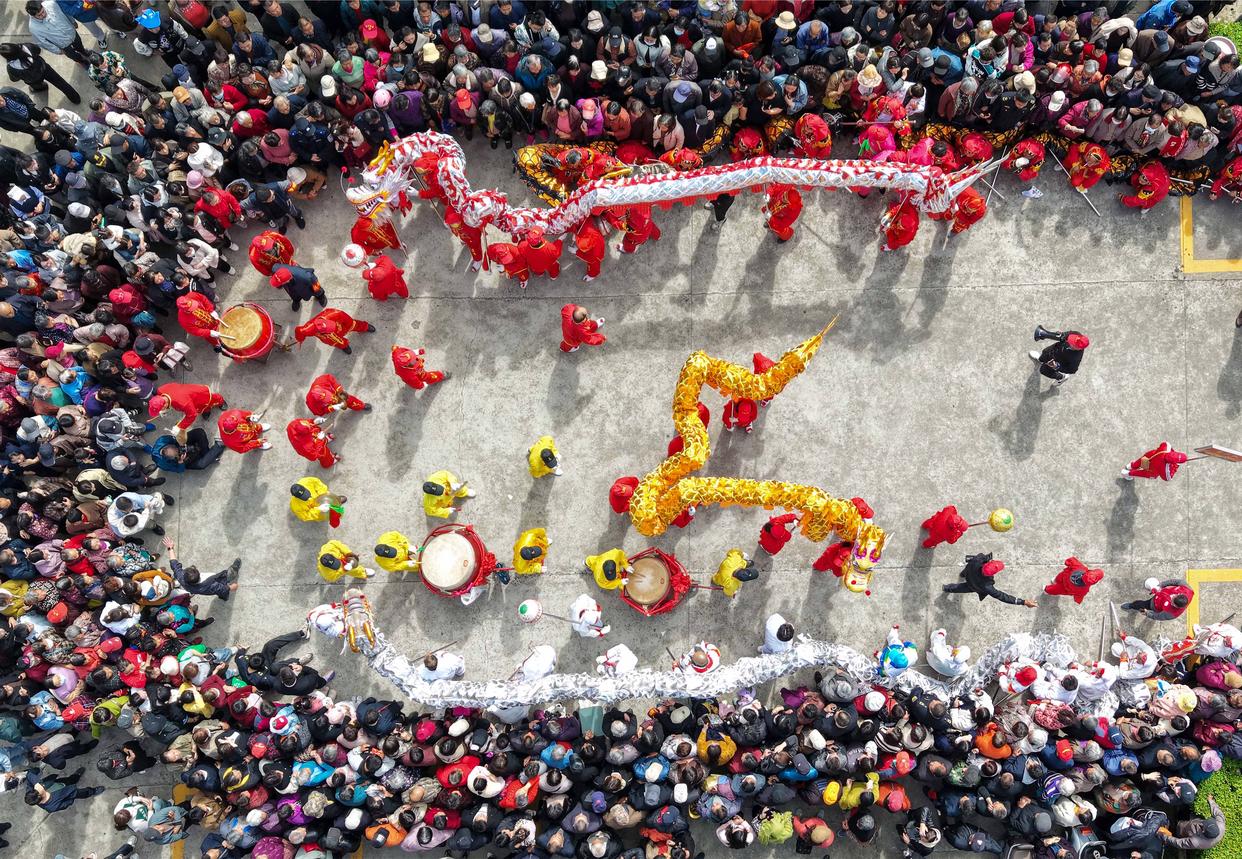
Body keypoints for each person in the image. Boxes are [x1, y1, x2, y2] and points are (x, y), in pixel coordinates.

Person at [942, 553, 1037, 607]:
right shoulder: (987, 587)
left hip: (969, 572)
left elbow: (971, 558)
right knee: (960, 588)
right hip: (973, 587)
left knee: (963, 577)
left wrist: (986, 559)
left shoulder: (978, 560)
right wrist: (1023, 602)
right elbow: (1002, 596)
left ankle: (953, 582)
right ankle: (947, 588)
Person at [293, 307, 375, 353]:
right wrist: (300, 340)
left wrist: (349, 326)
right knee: (336, 342)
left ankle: (365, 327)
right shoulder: (309, 328)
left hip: (342, 326)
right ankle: (344, 346)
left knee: (354, 325)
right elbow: (300, 331)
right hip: (329, 338)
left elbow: (348, 320)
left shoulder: (334, 314)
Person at [1122, 577, 1195, 621]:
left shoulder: (1171, 614)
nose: (1171, 597)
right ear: (1179, 594)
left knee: (1140, 605)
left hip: (1153, 605)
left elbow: (1157, 616)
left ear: (1176, 606)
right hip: (1159, 595)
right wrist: (1161, 585)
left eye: (1172, 602)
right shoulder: (1187, 589)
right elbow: (1176, 581)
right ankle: (1133, 605)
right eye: (1174, 596)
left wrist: (1147, 613)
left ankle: (1132, 605)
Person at [305, 373, 370, 416]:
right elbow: (320, 412)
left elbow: (330, 378)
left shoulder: (321, 381)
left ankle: (360, 406)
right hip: (327, 404)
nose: (333, 398)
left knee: (348, 399)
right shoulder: (313, 405)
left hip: (333, 391)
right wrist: (332, 408)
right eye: (328, 399)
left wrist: (339, 390)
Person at [1123, 442, 1188, 480]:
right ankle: (1127, 474)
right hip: (1152, 469)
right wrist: (1177, 465)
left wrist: (1175, 454)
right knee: (1143, 473)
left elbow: (1168, 447)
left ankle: (1130, 466)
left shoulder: (1166, 446)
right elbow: (1168, 478)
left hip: (1150, 456)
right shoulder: (1164, 469)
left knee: (1139, 462)